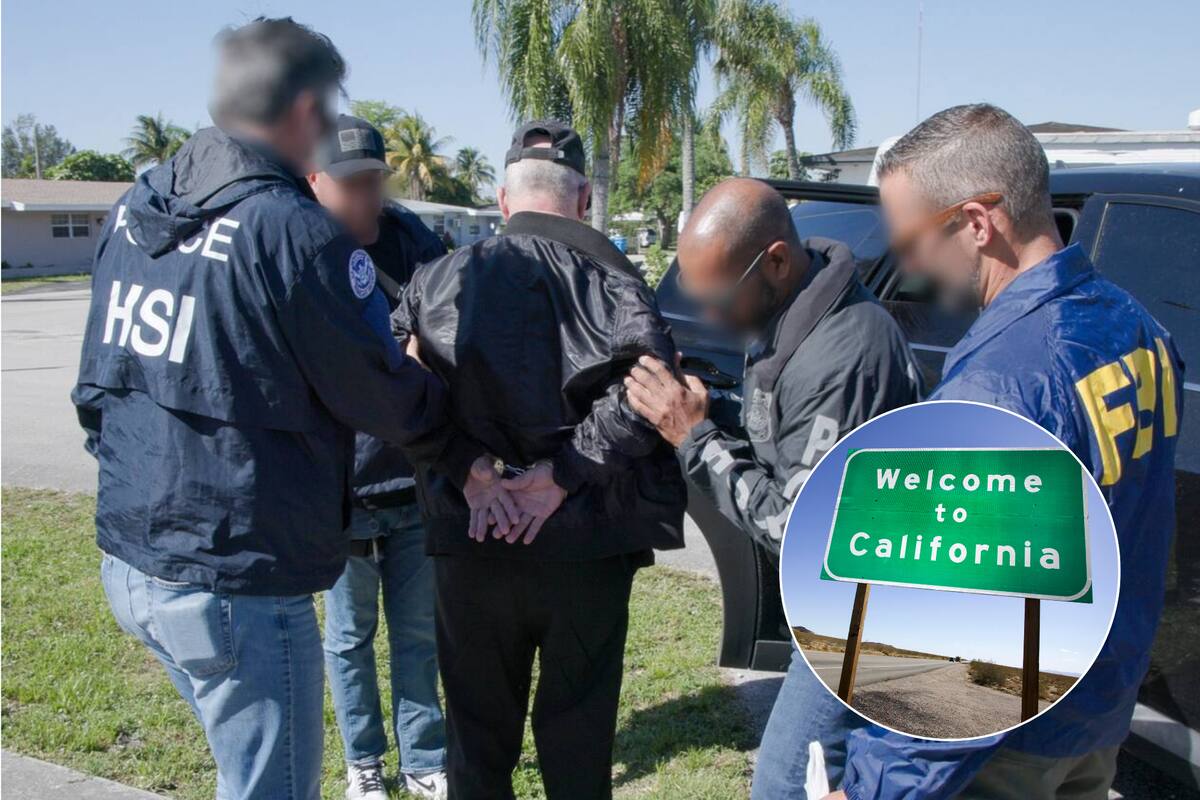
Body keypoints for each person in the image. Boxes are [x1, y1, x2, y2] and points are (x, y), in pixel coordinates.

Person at [71, 19, 452, 800]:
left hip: (133, 559)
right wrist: (425, 380)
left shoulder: (136, 210)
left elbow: (96, 392)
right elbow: (387, 401)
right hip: (233, 578)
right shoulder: (294, 232)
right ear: (305, 107)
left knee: (243, 766)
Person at [825, 104, 1185, 799]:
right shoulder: (1139, 328)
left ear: (977, 223)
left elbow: (961, 646)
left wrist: (875, 786)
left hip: (1001, 752)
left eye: (909, 244)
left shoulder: (999, 389)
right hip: (1096, 714)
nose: (908, 267)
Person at [392, 120, 688, 799]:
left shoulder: (437, 280)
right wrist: (559, 477)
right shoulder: (619, 283)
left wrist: (479, 473)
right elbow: (651, 392)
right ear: (583, 199)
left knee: (477, 745)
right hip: (582, 551)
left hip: (473, 543)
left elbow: (399, 396)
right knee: (578, 745)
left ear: (503, 201)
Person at [623, 176, 923, 797]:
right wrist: (719, 418)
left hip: (864, 627)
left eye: (718, 301)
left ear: (777, 262)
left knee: (784, 785)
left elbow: (802, 528)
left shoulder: (845, 356)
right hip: (839, 615)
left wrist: (695, 439)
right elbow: (788, 441)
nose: (708, 317)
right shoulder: (797, 313)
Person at [307, 115, 449, 800]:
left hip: (413, 481)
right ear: (315, 183)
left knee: (418, 635)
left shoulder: (414, 243)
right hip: (342, 497)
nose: (365, 197)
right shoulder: (299, 247)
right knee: (349, 639)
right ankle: (364, 763)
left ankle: (425, 759)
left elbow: (452, 327)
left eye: (373, 182)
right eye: (349, 185)